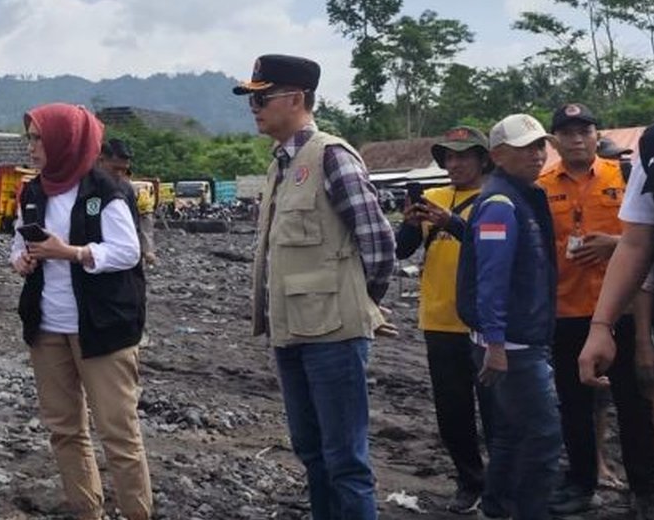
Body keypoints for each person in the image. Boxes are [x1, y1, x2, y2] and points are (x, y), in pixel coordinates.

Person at [238, 54, 395, 520]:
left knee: (346, 460)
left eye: (262, 97)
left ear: (296, 98)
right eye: (252, 99)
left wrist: (360, 304)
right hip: (291, 333)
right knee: (312, 454)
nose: (255, 107)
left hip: (334, 335)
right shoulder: (280, 166)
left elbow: (378, 241)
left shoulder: (330, 156)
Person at [10, 104, 152, 520]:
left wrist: (70, 252)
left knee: (118, 433)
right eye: (31, 139)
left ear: (64, 142)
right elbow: (18, 243)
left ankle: (137, 513)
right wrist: (21, 259)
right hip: (48, 326)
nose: (33, 148)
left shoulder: (104, 191)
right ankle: (86, 511)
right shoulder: (33, 191)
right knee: (65, 430)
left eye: (39, 139)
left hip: (102, 328)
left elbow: (128, 252)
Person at [537, 103, 654, 514]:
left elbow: (641, 239)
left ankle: (644, 487)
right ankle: (582, 482)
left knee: (634, 404)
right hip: (566, 310)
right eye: (567, 133)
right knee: (573, 404)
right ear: (555, 141)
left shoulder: (624, 176)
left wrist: (613, 243)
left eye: (584, 131)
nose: (577, 139)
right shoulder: (541, 187)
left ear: (596, 134)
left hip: (620, 311)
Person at [456, 114, 562, 520]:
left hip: (515, 339)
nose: (537, 155)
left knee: (513, 434)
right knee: (543, 437)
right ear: (498, 156)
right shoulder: (501, 204)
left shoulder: (519, 195)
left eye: (540, 145)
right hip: (513, 346)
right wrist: (496, 344)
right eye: (525, 148)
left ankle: (497, 509)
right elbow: (491, 279)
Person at [394, 126, 492, 514]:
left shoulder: (495, 199)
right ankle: (470, 481)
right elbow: (402, 251)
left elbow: (493, 247)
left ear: (483, 158)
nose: (455, 163)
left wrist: (452, 222)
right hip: (437, 320)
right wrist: (407, 220)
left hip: (485, 324)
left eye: (464, 155)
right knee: (452, 412)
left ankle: (502, 483)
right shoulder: (432, 197)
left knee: (497, 410)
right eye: (449, 157)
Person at [99, 139, 157, 267]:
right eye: (115, 169)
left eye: (124, 170)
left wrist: (145, 250)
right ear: (101, 160)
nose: (119, 174)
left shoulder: (127, 189)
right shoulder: (85, 188)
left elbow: (139, 224)